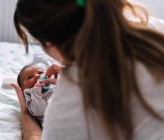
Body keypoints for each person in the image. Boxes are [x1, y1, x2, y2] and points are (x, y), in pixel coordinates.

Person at [12, 0, 164, 140]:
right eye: (30, 77)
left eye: (39, 72)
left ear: (49, 44)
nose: (38, 76)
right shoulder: (154, 29)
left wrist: (25, 113)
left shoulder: (64, 110)